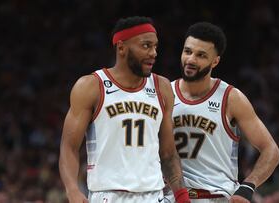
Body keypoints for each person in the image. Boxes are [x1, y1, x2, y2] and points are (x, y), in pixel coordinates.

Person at [59, 16, 190, 203]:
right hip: (107, 195)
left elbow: (168, 153)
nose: (153, 53)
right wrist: (72, 189)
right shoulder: (91, 86)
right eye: (146, 46)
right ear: (121, 48)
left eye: (155, 47)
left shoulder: (162, 87)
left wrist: (182, 196)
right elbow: (69, 147)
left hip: (153, 195)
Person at [165, 22, 279, 203]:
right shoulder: (164, 94)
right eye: (188, 52)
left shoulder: (231, 98)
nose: (191, 60)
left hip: (217, 196)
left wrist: (248, 186)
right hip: (173, 197)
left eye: (201, 55)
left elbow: (271, 150)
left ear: (215, 61)